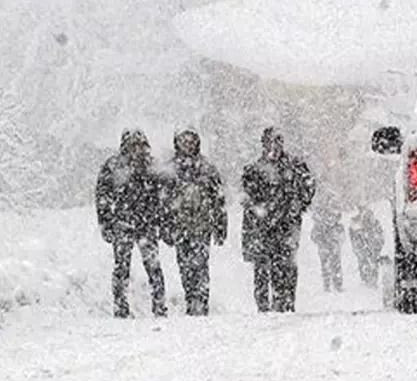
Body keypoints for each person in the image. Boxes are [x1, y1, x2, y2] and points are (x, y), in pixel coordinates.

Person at [95, 129, 168, 318]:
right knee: (122, 268)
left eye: (139, 145)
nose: (136, 149)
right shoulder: (113, 166)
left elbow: (164, 196)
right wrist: (105, 222)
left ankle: (159, 306)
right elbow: (102, 195)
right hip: (123, 223)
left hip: (146, 224)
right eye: (133, 145)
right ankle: (120, 307)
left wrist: (162, 219)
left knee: (153, 267)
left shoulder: (151, 166)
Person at [241, 128, 315, 313]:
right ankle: (264, 305)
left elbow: (309, 185)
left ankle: (286, 302)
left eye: (277, 142)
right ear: (263, 145)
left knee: (286, 265)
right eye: (269, 142)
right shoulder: (254, 170)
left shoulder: (295, 166)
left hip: (287, 224)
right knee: (262, 267)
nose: (273, 147)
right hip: (263, 226)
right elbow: (248, 198)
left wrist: (299, 203)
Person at [161, 129, 227, 315]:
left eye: (191, 141)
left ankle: (201, 302)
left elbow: (218, 199)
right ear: (177, 143)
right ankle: (191, 299)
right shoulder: (170, 170)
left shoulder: (207, 168)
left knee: (201, 265)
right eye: (184, 141)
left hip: (201, 226)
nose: (188, 145)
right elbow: (163, 202)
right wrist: (165, 226)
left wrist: (220, 226)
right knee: (184, 266)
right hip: (180, 227)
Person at [348, 206, 385, 287]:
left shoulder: (373, 224)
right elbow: (354, 236)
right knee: (367, 263)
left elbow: (380, 236)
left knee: (370, 263)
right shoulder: (358, 224)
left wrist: (378, 245)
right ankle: (367, 280)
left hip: (371, 247)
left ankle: (371, 281)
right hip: (366, 247)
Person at [311, 206, 345, 293]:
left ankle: (334, 285)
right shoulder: (321, 225)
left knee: (331, 266)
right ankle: (331, 285)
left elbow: (342, 236)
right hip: (328, 248)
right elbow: (314, 236)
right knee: (330, 266)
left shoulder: (321, 225)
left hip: (330, 248)